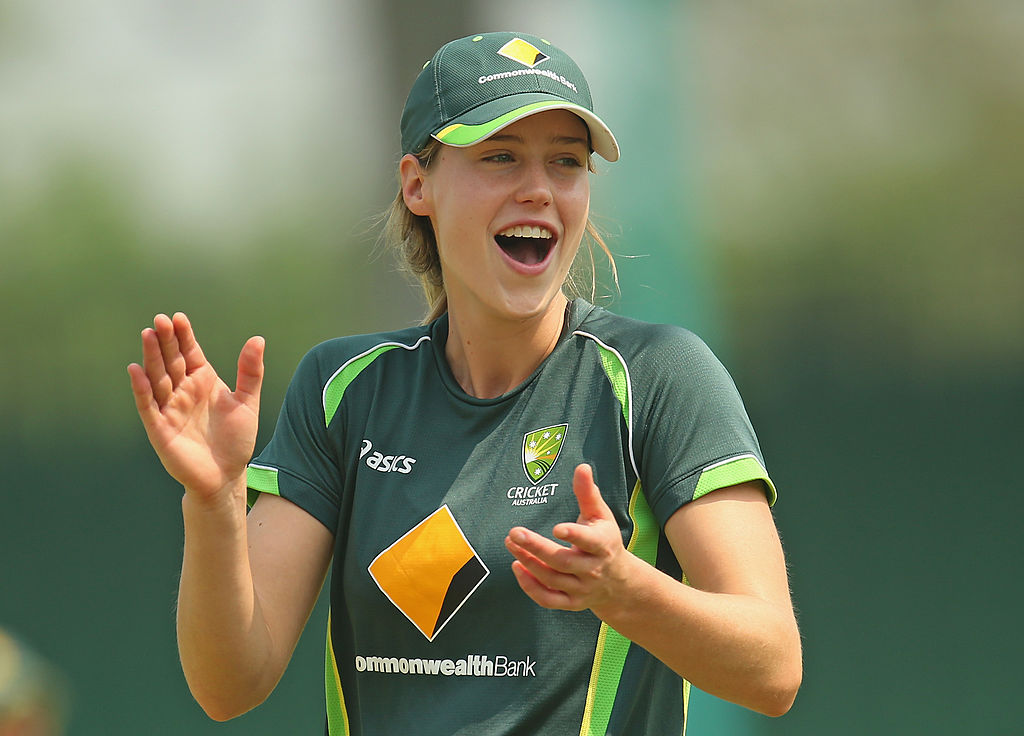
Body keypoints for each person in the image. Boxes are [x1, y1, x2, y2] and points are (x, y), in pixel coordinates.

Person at [128, 31, 801, 735]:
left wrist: (624, 590)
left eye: (566, 162)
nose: (538, 188)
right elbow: (229, 686)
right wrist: (214, 501)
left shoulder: (659, 375)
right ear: (417, 184)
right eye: (500, 156)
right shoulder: (345, 390)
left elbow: (774, 669)